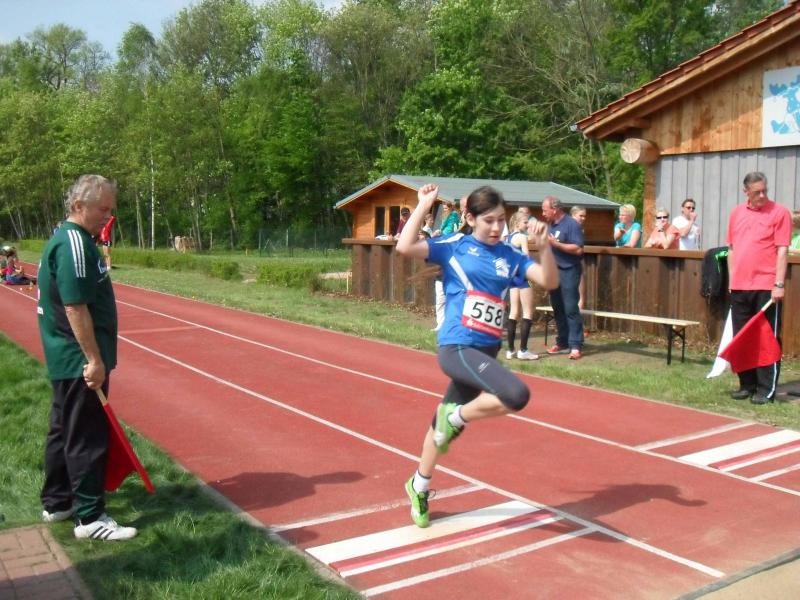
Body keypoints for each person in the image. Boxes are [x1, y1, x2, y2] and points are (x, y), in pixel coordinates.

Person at [396, 183, 558, 528]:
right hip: (457, 347)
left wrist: (544, 248)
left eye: (501, 219)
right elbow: (404, 246)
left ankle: (418, 485)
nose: (497, 227)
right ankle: (456, 418)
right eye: (489, 221)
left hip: (485, 352)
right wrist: (423, 205)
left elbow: (548, 280)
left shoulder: (509, 255)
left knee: (439, 429)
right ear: (470, 219)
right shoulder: (454, 246)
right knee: (515, 395)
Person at [38, 174, 137, 541]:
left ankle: (58, 502)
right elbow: (75, 306)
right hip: (78, 361)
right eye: (103, 210)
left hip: (66, 359)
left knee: (62, 429)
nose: (108, 218)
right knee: (87, 436)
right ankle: (90, 517)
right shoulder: (74, 243)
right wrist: (94, 360)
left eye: (111, 210)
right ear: (79, 206)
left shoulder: (67, 239)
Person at [726, 172, 791, 405]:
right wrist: (732, 281)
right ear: (746, 192)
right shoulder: (736, 213)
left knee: (766, 338)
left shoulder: (780, 213)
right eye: (757, 192)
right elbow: (731, 249)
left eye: (765, 190)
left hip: (766, 286)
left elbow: (782, 250)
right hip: (740, 286)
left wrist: (779, 284)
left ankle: (766, 389)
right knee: (742, 337)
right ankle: (747, 385)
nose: (762, 195)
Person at [542, 196, 585, 360]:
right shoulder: (551, 225)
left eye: (545, 210)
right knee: (557, 307)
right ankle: (562, 342)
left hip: (569, 270)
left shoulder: (571, 224)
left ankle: (576, 345)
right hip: (554, 271)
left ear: (555, 209)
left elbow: (578, 249)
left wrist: (557, 244)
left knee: (570, 307)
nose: (543, 213)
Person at [505, 212, 538, 361]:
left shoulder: (508, 238)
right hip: (522, 277)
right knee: (527, 313)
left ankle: (510, 350)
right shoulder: (521, 237)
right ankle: (523, 350)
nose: (527, 224)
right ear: (517, 223)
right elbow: (526, 257)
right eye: (525, 222)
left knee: (513, 312)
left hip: (512, 277)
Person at [570, 206, 587, 310]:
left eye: (584, 216)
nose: (583, 218)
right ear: (573, 215)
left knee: (579, 279)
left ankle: (581, 302)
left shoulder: (580, 229)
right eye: (581, 216)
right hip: (565, 262)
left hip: (576, 262)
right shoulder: (566, 227)